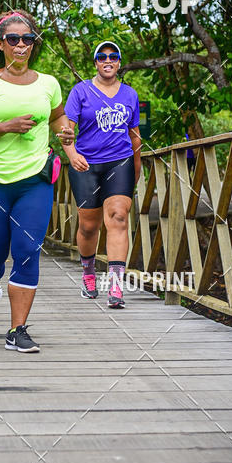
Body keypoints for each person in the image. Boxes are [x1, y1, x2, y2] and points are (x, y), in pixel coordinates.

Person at [0, 10, 74, 353]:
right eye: (14, 39)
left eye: (28, 39)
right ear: (1, 44)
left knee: (27, 251)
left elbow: (58, 118)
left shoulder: (49, 83)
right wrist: (5, 127)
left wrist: (68, 140)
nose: (22, 45)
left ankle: (18, 330)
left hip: (35, 181)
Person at [61, 41, 141, 307]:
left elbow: (135, 136)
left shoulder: (130, 95)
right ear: (96, 62)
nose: (108, 60)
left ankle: (116, 286)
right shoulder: (81, 91)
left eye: (114, 56)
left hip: (120, 162)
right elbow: (66, 132)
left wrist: (136, 168)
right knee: (88, 226)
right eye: (103, 56)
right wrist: (72, 155)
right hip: (87, 164)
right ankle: (88, 273)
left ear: (119, 63)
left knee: (118, 218)